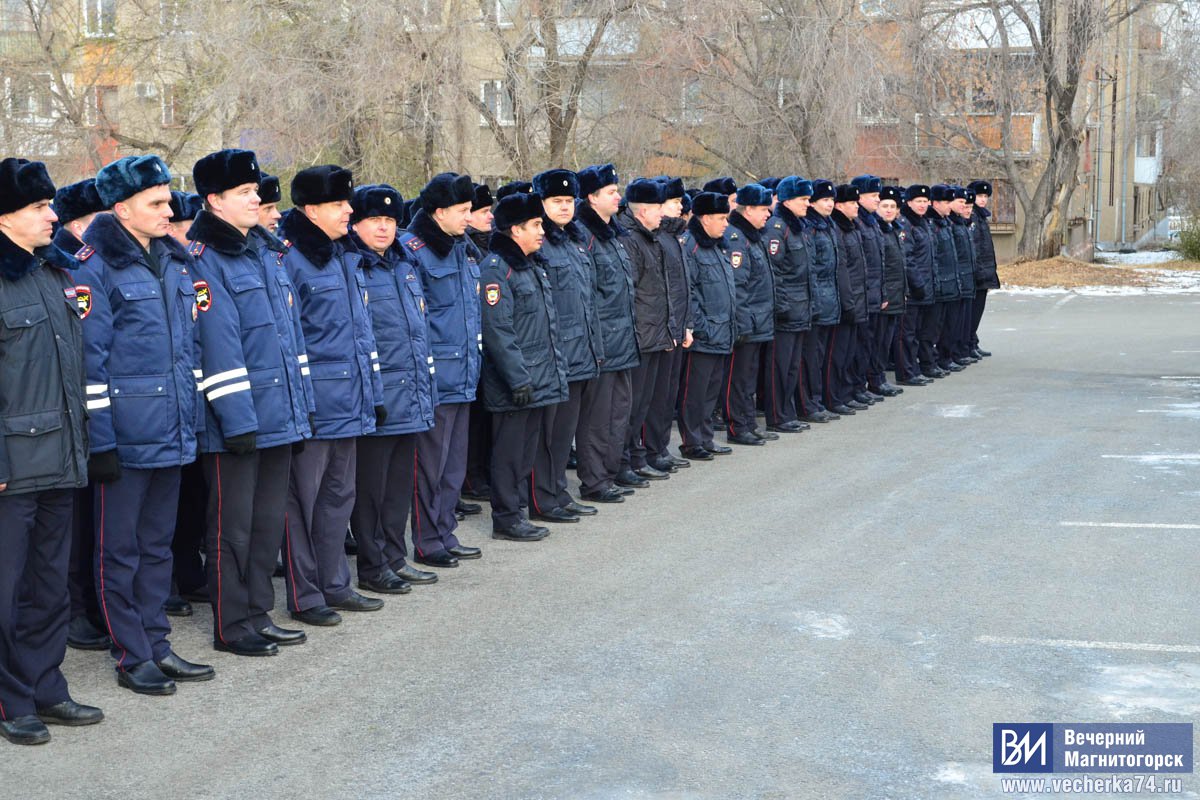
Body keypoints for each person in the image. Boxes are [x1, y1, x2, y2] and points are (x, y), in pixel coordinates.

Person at [77, 154, 214, 694]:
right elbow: (92, 362)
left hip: (172, 430)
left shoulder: (174, 261)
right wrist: (101, 442)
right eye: (156, 202)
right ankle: (131, 654)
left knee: (158, 546)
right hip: (126, 438)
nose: (170, 208)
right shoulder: (94, 266)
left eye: (169, 198)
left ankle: (157, 642)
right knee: (120, 550)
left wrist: (193, 422)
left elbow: (189, 352)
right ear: (121, 208)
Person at [188, 149, 314, 654]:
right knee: (232, 528)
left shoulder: (266, 252)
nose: (255, 198)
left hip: (279, 415)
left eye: (255, 190)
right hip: (236, 425)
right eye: (242, 192)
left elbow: (289, 342)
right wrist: (238, 422)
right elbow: (218, 345)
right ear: (213, 200)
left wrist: (298, 414)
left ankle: (258, 611)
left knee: (265, 526)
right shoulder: (205, 259)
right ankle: (231, 623)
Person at [0, 158, 103, 744]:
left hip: (61, 457)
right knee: (7, 590)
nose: (53, 215)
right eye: (39, 207)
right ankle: (11, 699)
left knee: (48, 585)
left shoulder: (53, 272)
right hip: (13, 467)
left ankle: (46, 687)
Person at [278, 165, 385, 625]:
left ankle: (335, 583)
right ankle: (305, 595)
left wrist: (372, 391)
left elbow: (361, 334)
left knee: (338, 498)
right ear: (311, 209)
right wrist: (302, 404)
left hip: (351, 398)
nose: (349, 210)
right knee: (302, 503)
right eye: (340, 204)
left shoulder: (345, 254)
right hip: (316, 403)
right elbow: (290, 341)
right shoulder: (291, 259)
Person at [347, 184, 439, 592]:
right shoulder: (354, 265)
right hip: (379, 395)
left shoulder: (403, 265)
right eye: (374, 220)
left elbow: (418, 331)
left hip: (410, 391)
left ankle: (394, 556)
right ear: (357, 223)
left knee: (399, 486)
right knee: (371, 490)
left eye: (389, 221)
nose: (384, 228)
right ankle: (371, 566)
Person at [400, 173, 484, 567]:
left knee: (453, 465)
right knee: (429, 467)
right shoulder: (413, 251)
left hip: (464, 373)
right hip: (436, 378)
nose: (470, 217)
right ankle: (427, 540)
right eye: (463, 211)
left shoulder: (462, 249)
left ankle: (445, 532)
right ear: (438, 212)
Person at [479, 191, 569, 541]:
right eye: (534, 225)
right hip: (515, 384)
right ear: (515, 230)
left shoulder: (531, 265)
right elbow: (498, 331)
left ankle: (517, 512)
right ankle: (506, 517)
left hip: (537, 378)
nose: (541, 231)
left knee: (526, 451)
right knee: (509, 453)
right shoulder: (497, 270)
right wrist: (518, 379)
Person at [51, 177, 112, 652]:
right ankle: (74, 609)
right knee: (72, 524)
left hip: (88, 409)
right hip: (69, 413)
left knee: (89, 520)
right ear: (78, 223)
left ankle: (87, 603)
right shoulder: (73, 265)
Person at [528, 168, 602, 522]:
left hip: (580, 350)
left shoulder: (574, 240)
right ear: (541, 203)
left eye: (568, 201)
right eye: (555, 201)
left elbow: (585, 298)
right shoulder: (539, 241)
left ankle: (559, 491)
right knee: (548, 434)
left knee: (564, 434)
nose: (564, 208)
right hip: (554, 353)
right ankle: (543, 498)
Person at [574, 164, 639, 504]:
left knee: (618, 411)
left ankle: (609, 474)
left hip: (622, 339)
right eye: (611, 192)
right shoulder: (583, 234)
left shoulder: (612, 232)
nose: (618, 196)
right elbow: (589, 296)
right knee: (597, 417)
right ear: (591, 197)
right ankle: (594, 480)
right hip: (602, 342)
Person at [617, 178, 676, 484]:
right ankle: (624, 462)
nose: (662, 214)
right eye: (657, 209)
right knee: (630, 406)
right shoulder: (631, 239)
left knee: (643, 405)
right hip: (640, 336)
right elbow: (632, 293)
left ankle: (637, 458)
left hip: (654, 333)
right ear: (641, 211)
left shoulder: (651, 237)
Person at [677, 192, 736, 460]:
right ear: (704, 218)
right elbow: (689, 293)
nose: (726, 223)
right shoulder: (691, 246)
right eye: (721, 218)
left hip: (722, 331)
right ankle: (691, 441)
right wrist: (702, 328)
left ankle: (706, 437)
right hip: (704, 335)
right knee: (695, 393)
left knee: (711, 392)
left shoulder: (719, 245)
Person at [724, 183, 776, 445]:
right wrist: (743, 324)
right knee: (739, 377)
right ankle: (737, 426)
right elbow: (738, 287)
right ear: (748, 210)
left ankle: (748, 422)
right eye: (764, 209)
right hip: (747, 322)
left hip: (759, 321)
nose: (768, 214)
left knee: (749, 377)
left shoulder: (754, 236)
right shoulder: (737, 239)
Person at [763, 176, 815, 433]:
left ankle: (787, 411)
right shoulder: (777, 227)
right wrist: (782, 307)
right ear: (787, 200)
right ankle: (777, 415)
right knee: (779, 367)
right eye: (803, 199)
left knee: (793, 366)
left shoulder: (798, 227)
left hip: (801, 306)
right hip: (786, 310)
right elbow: (775, 273)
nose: (808, 203)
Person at [802, 180, 843, 421]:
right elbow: (813, 270)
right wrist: (815, 302)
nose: (829, 204)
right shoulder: (811, 228)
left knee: (824, 356)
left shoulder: (828, 226)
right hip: (817, 302)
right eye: (824, 200)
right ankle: (810, 403)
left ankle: (819, 400)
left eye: (831, 200)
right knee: (811, 358)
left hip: (830, 300)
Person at [827, 184, 869, 415]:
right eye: (852, 203)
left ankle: (847, 392)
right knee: (838, 354)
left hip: (857, 298)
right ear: (839, 205)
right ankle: (836, 396)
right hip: (846, 301)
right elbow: (842, 270)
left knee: (850, 352)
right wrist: (848, 302)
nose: (856, 206)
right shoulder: (838, 229)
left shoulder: (852, 228)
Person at [895, 185, 935, 387]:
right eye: (918, 201)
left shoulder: (922, 223)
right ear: (908, 202)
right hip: (912, 289)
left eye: (925, 201)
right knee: (906, 334)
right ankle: (906, 372)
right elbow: (907, 259)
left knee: (918, 332)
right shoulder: (905, 224)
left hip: (924, 287)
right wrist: (918, 284)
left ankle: (914, 367)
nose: (922, 205)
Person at [873, 184, 908, 395]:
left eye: (892, 206)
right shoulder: (879, 230)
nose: (888, 210)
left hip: (896, 294)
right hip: (885, 296)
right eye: (884, 205)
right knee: (877, 341)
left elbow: (899, 265)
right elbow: (880, 267)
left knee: (885, 340)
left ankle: (880, 378)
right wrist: (884, 293)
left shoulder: (894, 229)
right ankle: (875, 380)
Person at [966, 180, 997, 358]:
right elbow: (975, 248)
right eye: (979, 196)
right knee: (972, 312)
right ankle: (969, 343)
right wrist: (978, 271)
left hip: (984, 271)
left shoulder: (981, 217)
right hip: (977, 272)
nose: (983, 200)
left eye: (986, 196)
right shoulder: (973, 217)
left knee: (977, 311)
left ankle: (973, 341)